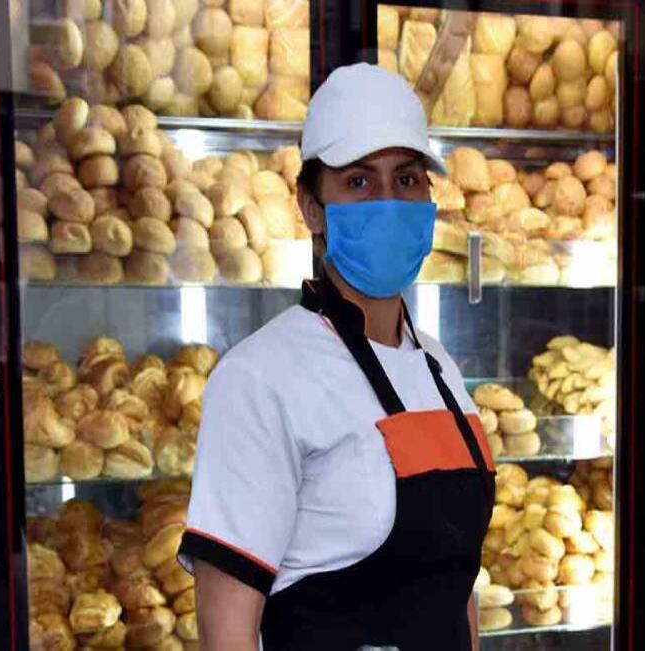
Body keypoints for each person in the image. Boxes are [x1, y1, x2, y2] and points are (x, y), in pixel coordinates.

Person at [178, 63, 496, 651]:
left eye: (407, 179)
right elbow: (227, 635)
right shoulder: (259, 380)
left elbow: (455, 588)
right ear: (311, 207)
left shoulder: (440, 370)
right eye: (358, 182)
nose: (388, 202)